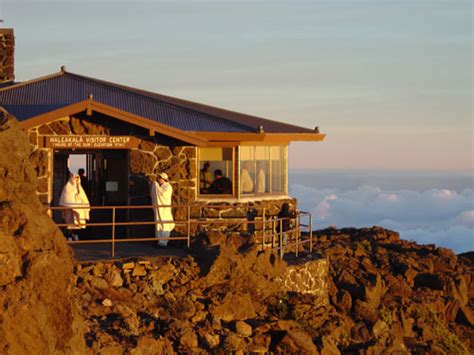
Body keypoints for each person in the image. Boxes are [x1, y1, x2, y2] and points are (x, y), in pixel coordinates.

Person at [59, 172, 90, 241]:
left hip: (78, 209)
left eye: (77, 178)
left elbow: (83, 198)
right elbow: (65, 197)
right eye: (75, 178)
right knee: (69, 223)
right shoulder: (67, 187)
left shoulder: (80, 188)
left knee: (77, 223)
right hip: (69, 210)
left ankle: (75, 234)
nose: (76, 180)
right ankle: (69, 236)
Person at [149, 172, 175, 247]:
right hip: (159, 209)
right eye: (158, 178)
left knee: (165, 224)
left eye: (159, 178)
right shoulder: (159, 186)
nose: (158, 180)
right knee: (159, 223)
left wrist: (156, 186)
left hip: (165, 209)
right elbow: (156, 194)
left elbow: (163, 195)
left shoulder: (168, 187)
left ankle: (164, 241)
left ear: (163, 179)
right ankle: (159, 240)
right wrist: (155, 186)